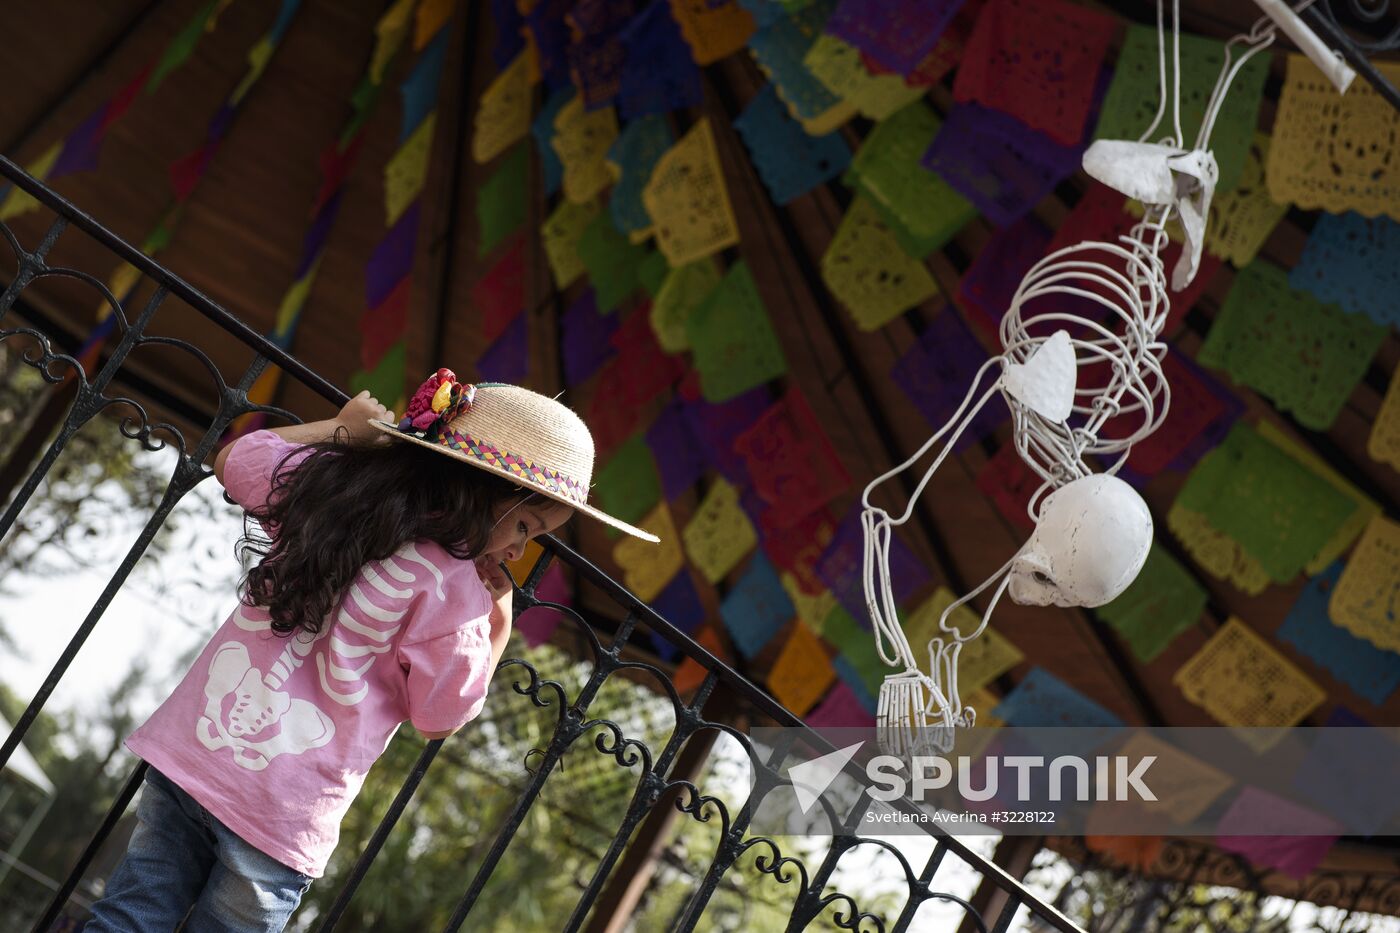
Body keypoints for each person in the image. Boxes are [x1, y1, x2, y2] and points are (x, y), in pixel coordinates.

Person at [85, 374, 658, 932]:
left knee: (130, 916)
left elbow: (237, 462)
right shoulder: (457, 596)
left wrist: (338, 431)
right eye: (526, 525)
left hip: (196, 752)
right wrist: (498, 623)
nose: (519, 549)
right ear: (487, 492)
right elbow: (440, 718)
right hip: (280, 813)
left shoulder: (338, 493)